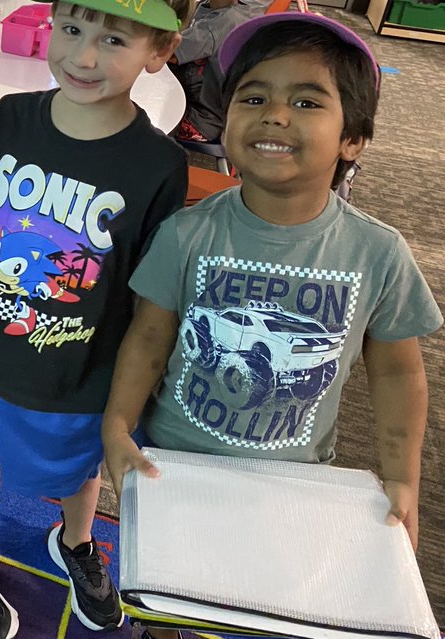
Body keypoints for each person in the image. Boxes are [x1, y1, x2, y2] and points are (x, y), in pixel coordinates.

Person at [101, 13, 441, 638]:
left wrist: (402, 479)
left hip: (293, 475)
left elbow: (398, 374)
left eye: (307, 100)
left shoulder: (378, 253)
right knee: (169, 597)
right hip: (176, 466)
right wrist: (117, 425)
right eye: (253, 97)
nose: (275, 114)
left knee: (264, 604)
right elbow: (148, 339)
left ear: (353, 139)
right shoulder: (186, 233)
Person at [0, 0, 191, 635]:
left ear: (159, 51)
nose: (83, 56)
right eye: (71, 30)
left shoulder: (159, 165)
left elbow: (150, 292)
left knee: (81, 472)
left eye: (114, 40)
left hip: (82, 371)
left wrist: (127, 395)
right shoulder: (12, 115)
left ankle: (76, 545)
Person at [169, 0, 254, 142]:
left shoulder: (224, 21)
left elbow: (168, 54)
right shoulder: (239, 12)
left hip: (200, 120)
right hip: (217, 117)